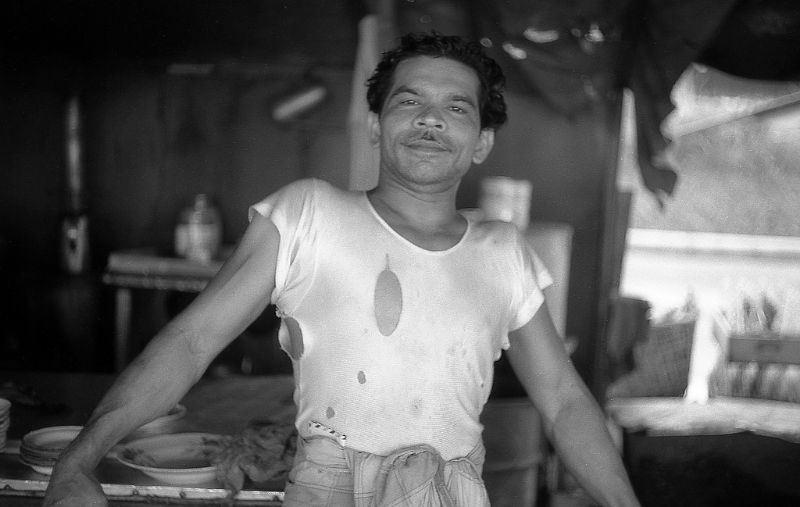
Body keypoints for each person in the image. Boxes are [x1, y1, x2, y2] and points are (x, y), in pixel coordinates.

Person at [44, 32, 640, 507]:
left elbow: (563, 400)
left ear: (481, 141)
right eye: (409, 101)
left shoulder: (503, 251)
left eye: (455, 108)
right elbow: (191, 341)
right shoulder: (308, 214)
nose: (431, 120)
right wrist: (77, 462)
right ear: (377, 125)